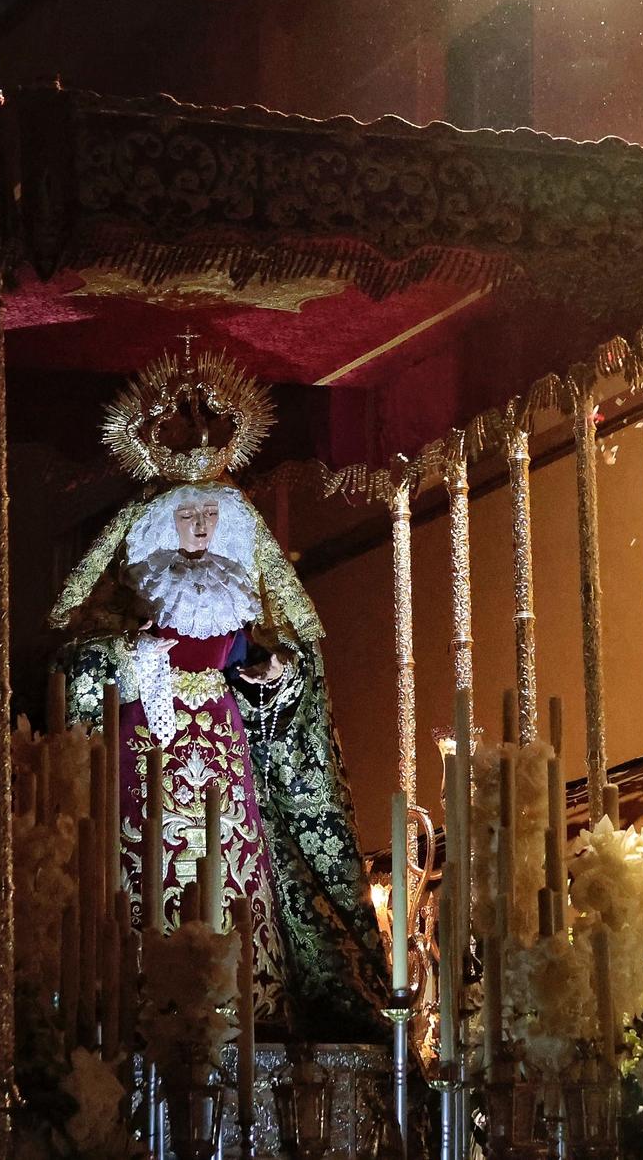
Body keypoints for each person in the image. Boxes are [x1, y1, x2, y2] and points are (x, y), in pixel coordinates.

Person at [51, 346, 388, 1041]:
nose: (200, 529)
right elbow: (75, 667)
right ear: (158, 523)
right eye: (187, 517)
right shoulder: (125, 598)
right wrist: (130, 656)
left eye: (210, 516)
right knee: (149, 892)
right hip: (145, 769)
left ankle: (254, 1006)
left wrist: (277, 679)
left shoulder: (242, 604)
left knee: (240, 892)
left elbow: (283, 686)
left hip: (231, 772)